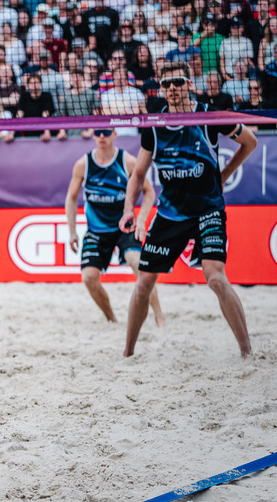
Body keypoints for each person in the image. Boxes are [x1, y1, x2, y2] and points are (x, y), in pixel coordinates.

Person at [119, 62, 257, 358]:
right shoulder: (155, 125)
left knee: (216, 277)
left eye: (178, 82)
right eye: (166, 84)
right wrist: (128, 209)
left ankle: (247, 353)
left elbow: (250, 142)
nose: (172, 89)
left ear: (188, 84)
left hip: (208, 209)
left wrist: (224, 175)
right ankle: (127, 353)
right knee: (144, 282)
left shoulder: (209, 116)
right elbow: (138, 174)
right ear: (162, 88)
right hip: (170, 214)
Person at [66, 128, 164, 324]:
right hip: (97, 230)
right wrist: (72, 232)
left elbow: (149, 192)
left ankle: (159, 315)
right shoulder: (83, 164)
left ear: (114, 134)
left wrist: (142, 221)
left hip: (124, 226)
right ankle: (112, 319)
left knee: (137, 263)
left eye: (106, 132)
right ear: (92, 135)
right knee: (88, 278)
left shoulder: (126, 161)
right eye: (98, 132)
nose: (102, 136)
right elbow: (71, 198)